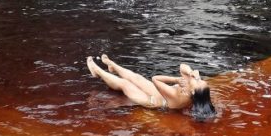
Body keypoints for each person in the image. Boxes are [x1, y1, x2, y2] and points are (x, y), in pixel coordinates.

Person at [86, 54, 216, 120]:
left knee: (125, 84)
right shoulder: (192, 89)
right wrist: (191, 72)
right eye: (201, 79)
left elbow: (155, 79)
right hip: (161, 95)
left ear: (193, 92)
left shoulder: (179, 96)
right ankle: (113, 66)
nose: (199, 78)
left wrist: (175, 79)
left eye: (199, 81)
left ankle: (97, 71)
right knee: (136, 77)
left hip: (153, 101)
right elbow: (182, 66)